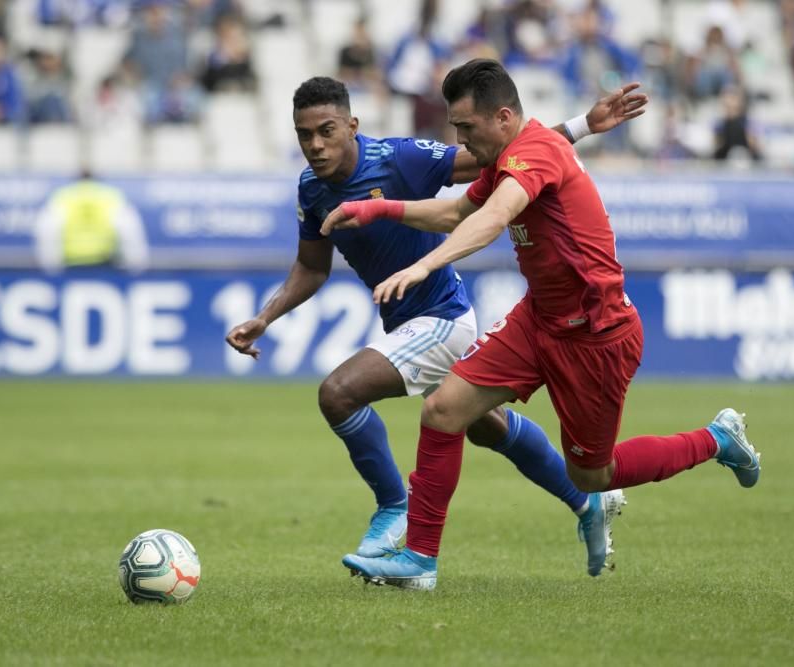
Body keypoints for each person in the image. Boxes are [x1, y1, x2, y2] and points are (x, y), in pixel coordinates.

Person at [324, 59, 761, 590]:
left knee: (592, 475)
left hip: (595, 334)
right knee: (443, 410)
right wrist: (378, 211)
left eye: (466, 128)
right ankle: (419, 560)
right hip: (540, 319)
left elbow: (490, 219)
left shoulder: (534, 151)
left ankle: (717, 438)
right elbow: (454, 213)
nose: (459, 140)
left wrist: (421, 266)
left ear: (503, 117)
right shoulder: (508, 154)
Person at [225, 75, 649, 577]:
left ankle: (394, 511)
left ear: (352, 126)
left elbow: (497, 152)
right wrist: (266, 316)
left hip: (442, 317)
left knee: (338, 393)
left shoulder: (398, 158)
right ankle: (585, 502)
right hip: (405, 323)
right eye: (304, 135)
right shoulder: (311, 189)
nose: (315, 145)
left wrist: (580, 126)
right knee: (482, 428)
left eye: (327, 130)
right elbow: (313, 268)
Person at [33, 170, 148, 272]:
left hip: (71, 264)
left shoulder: (63, 196)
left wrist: (51, 265)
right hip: (103, 262)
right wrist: (135, 264)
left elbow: (47, 230)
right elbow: (129, 230)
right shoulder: (110, 196)